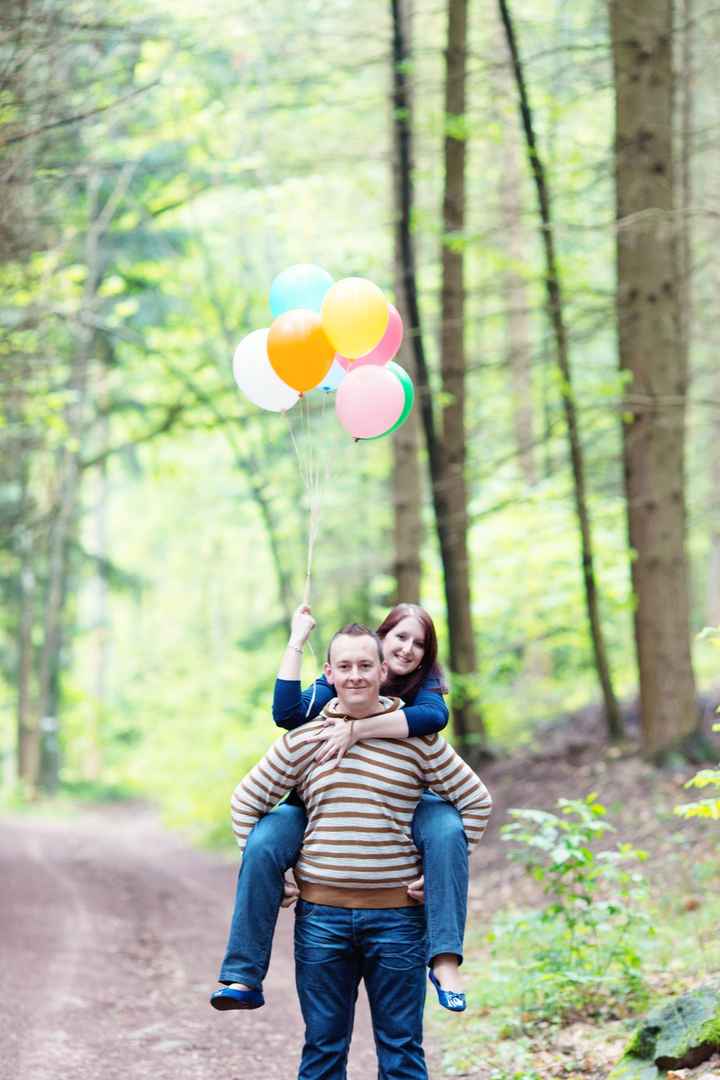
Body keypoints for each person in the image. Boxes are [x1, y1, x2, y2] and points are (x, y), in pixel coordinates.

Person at [216, 624, 492, 1080]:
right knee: (323, 1051)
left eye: (366, 665)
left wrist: (445, 871)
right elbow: (246, 801)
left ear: (384, 671)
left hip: (399, 920)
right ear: (329, 673)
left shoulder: (418, 741)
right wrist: (275, 873)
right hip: (322, 921)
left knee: (402, 1053)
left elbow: (475, 800)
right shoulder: (305, 739)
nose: (355, 676)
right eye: (344, 667)